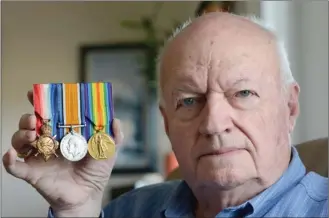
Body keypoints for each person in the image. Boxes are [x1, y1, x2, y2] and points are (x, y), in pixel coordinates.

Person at [3, 12, 328, 217]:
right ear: (167, 122)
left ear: (290, 108)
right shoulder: (130, 210)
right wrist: (75, 209)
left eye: (243, 93)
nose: (214, 124)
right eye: (188, 101)